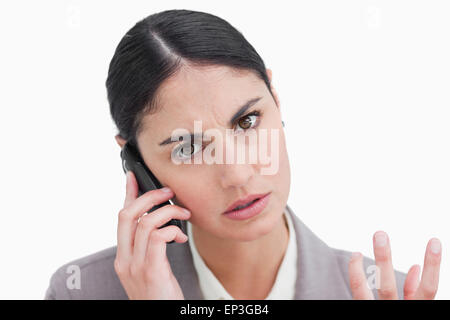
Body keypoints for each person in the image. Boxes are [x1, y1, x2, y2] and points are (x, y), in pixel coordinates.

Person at [44, 9, 441, 300]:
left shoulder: (391, 294)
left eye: (248, 121)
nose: (236, 174)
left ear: (276, 99)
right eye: (187, 147)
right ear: (137, 164)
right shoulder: (80, 291)